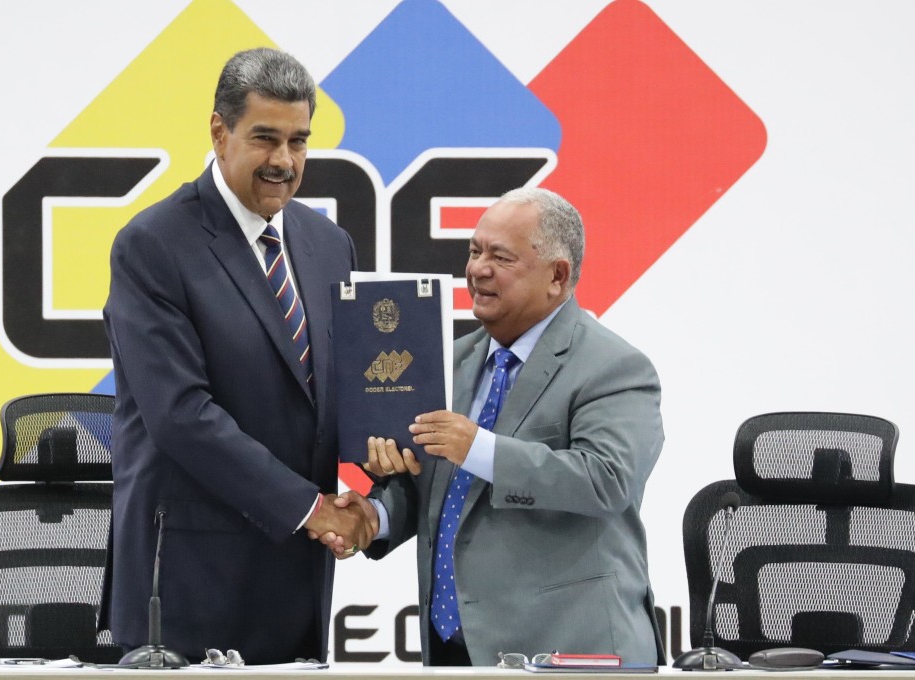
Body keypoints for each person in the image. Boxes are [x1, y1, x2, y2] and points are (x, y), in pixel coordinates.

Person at [100, 47, 367, 665]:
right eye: (265, 138)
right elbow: (181, 415)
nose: (284, 160)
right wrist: (310, 510)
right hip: (188, 586)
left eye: (299, 141)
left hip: (296, 579)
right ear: (219, 132)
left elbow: (337, 395)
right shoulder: (153, 245)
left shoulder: (329, 244)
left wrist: (376, 485)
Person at [324, 187, 665, 666]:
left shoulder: (614, 367)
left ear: (557, 276)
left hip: (570, 654)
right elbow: (435, 488)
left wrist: (479, 448)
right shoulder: (451, 362)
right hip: (454, 653)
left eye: (500, 257)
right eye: (474, 251)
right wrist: (373, 518)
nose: (477, 269)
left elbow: (607, 480)